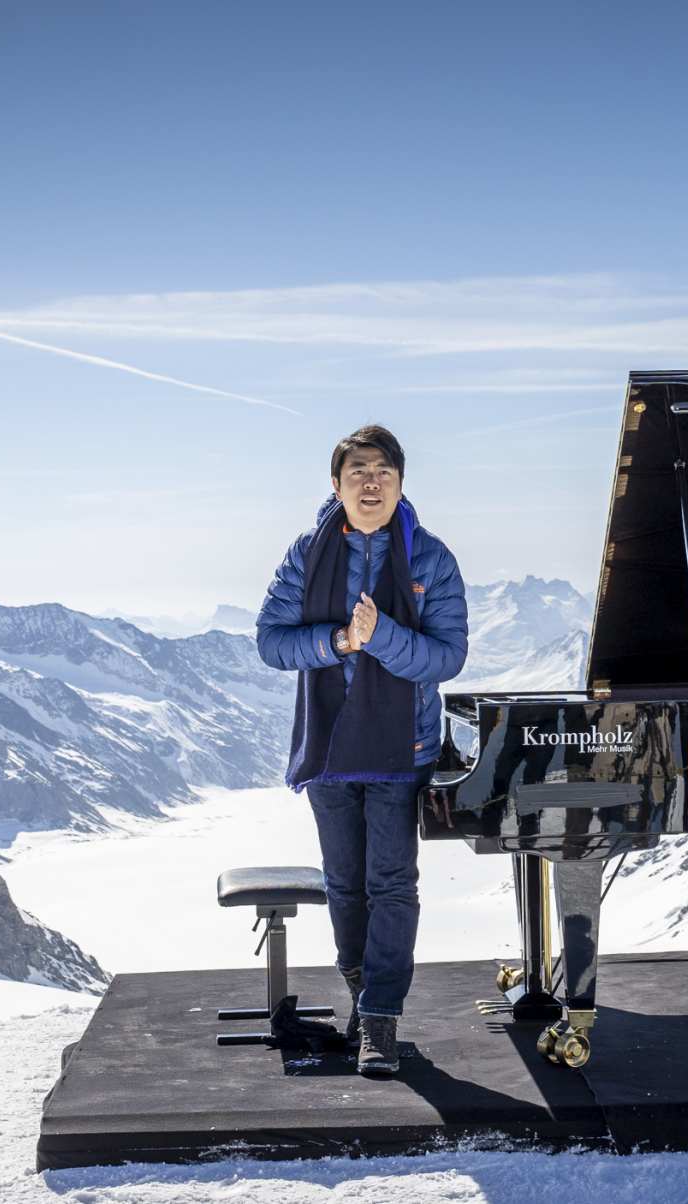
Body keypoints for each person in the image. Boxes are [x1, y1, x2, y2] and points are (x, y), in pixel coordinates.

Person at [255, 424, 468, 1076]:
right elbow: (272, 641)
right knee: (345, 884)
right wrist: (340, 643)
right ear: (336, 483)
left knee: (392, 884)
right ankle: (361, 995)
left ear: (401, 482)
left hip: (400, 748)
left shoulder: (430, 559)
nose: (370, 483)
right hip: (330, 748)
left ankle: (380, 1019)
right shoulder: (305, 554)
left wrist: (381, 640)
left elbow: (447, 657)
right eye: (358, 472)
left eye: (382, 471)